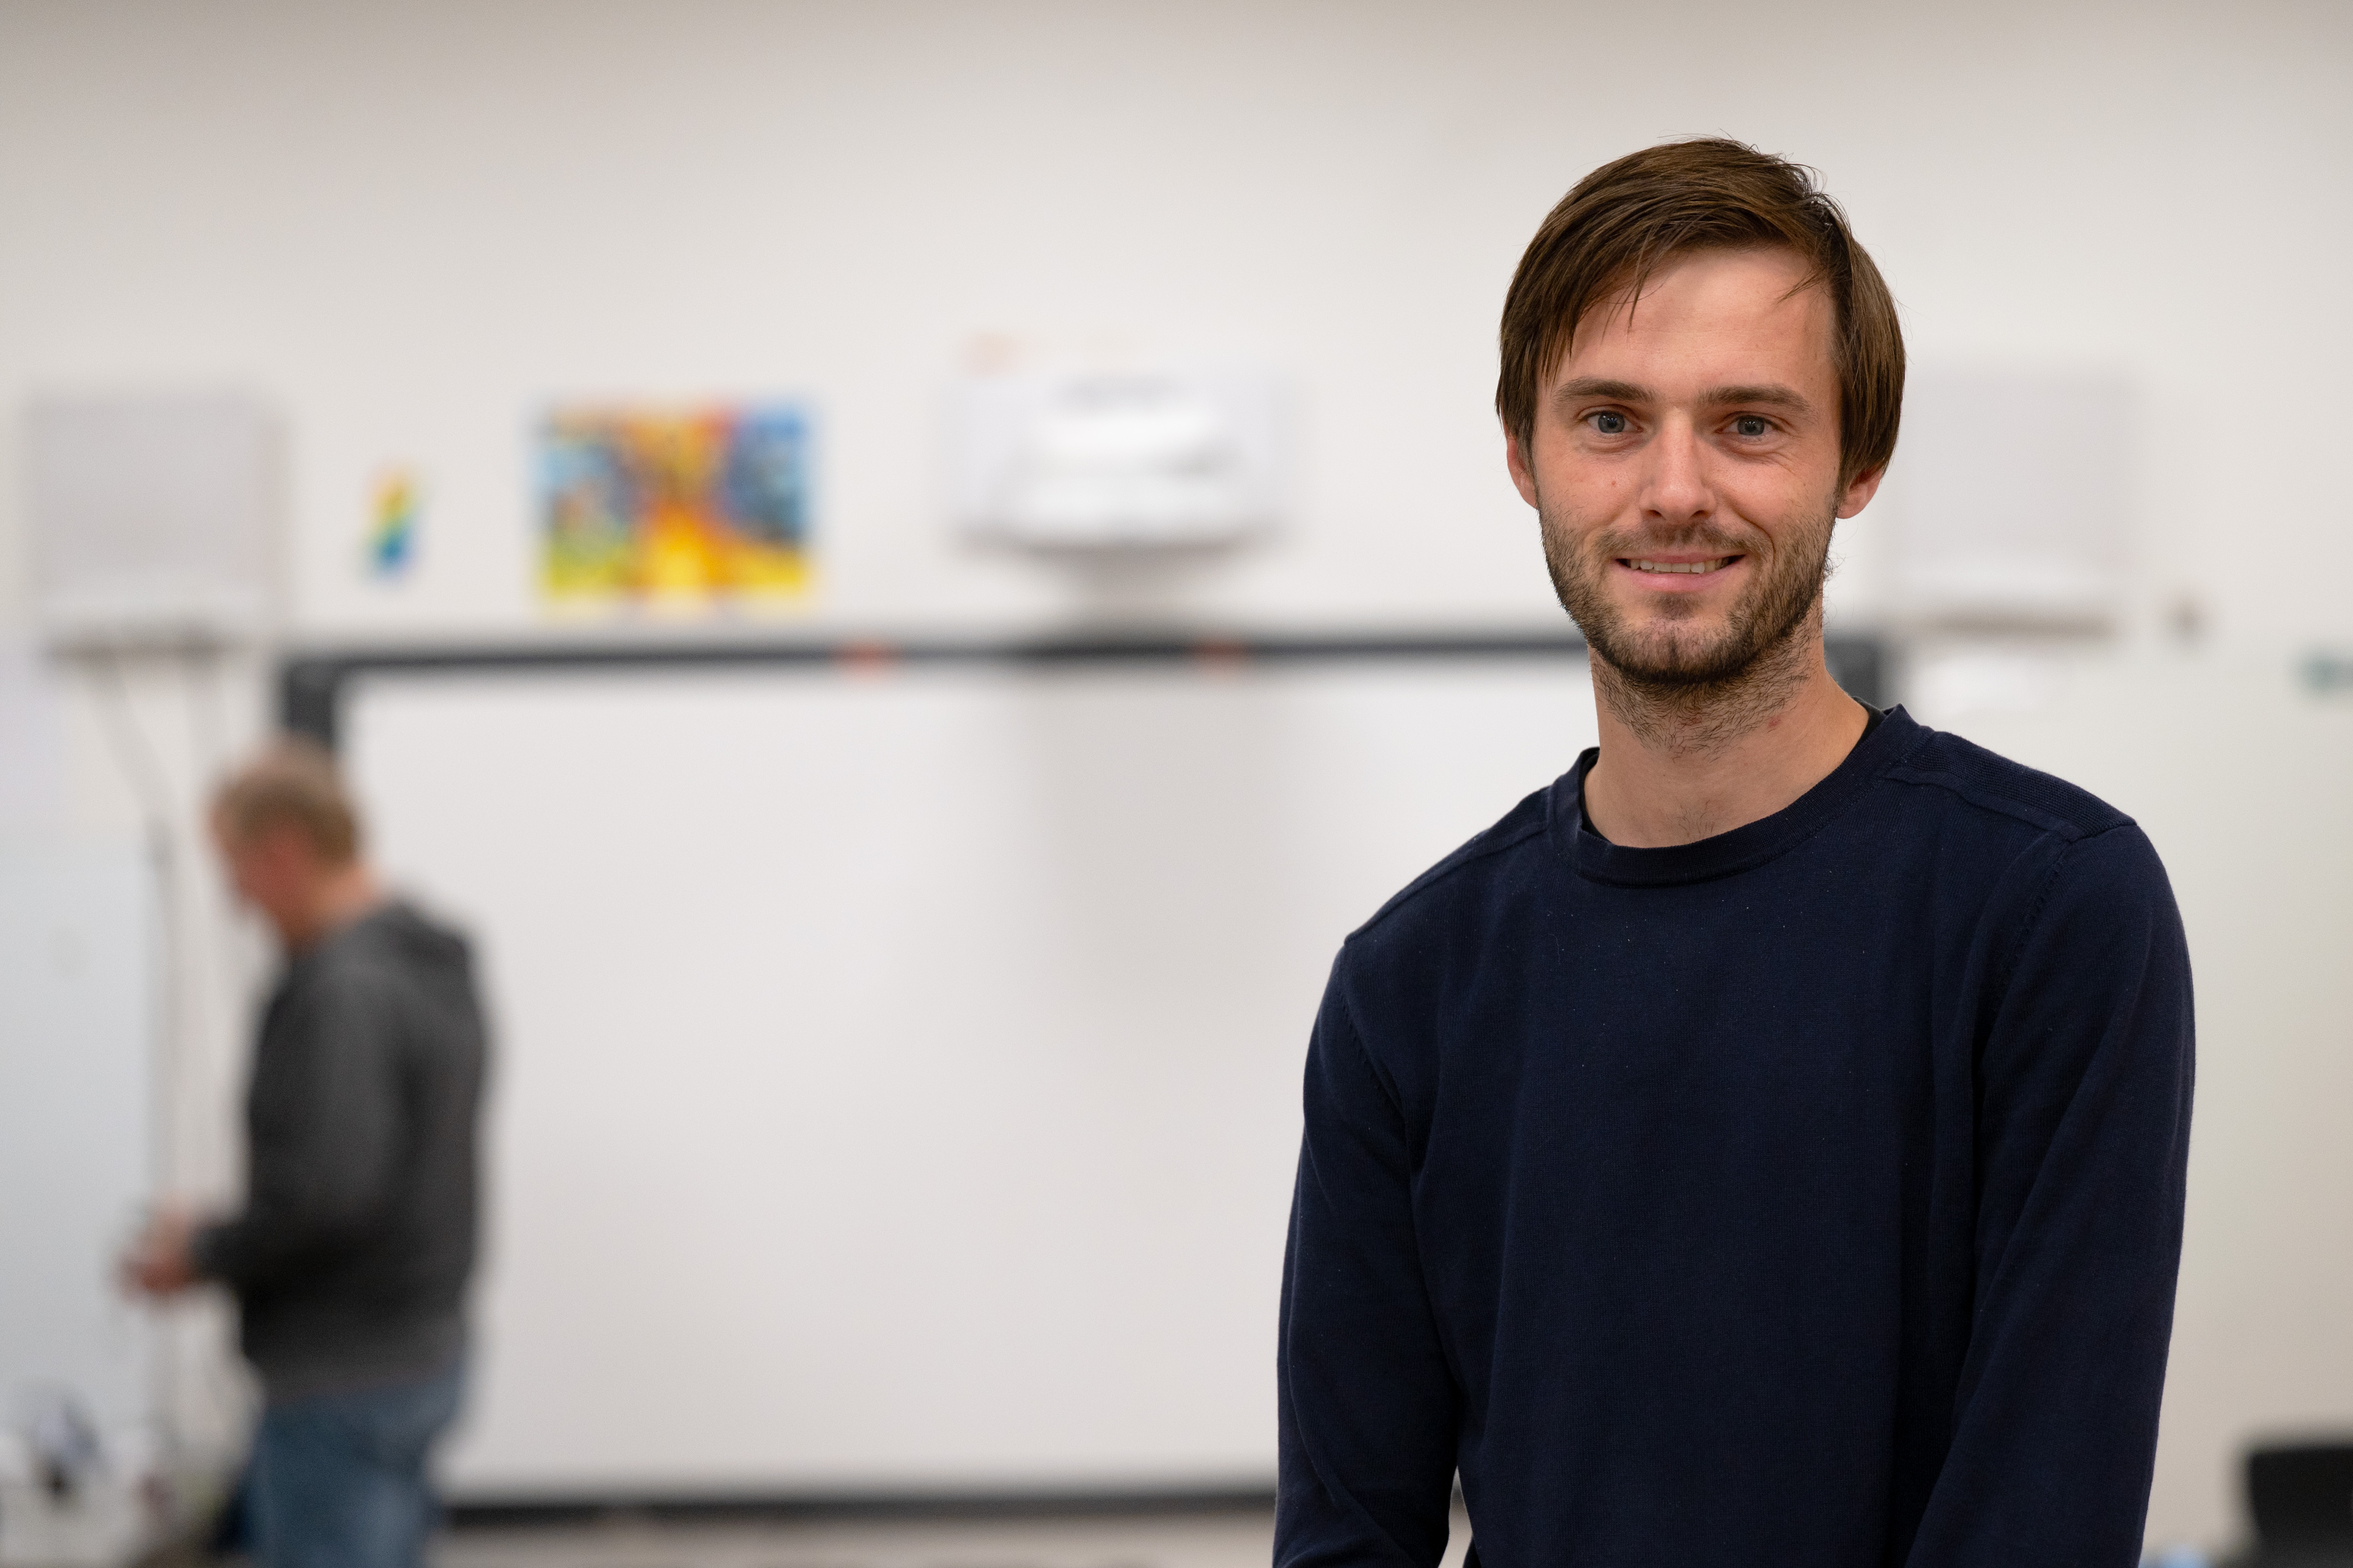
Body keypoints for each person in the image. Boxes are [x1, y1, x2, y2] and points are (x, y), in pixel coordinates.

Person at [1275, 139, 2193, 1567]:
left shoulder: (2051, 908)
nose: (1674, 489)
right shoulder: (1409, 985)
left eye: (1750, 423)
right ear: (1524, 457)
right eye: (1610, 420)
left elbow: (2044, 1514)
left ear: (1858, 464)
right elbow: (1348, 1532)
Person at [122, 738, 488, 1568]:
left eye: (235, 868)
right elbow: (377, 1169)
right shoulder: (434, 965)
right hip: (421, 1349)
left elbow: (330, 1194)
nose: (235, 899)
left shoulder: (342, 990)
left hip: (342, 1376)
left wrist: (201, 1252)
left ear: (285, 850)